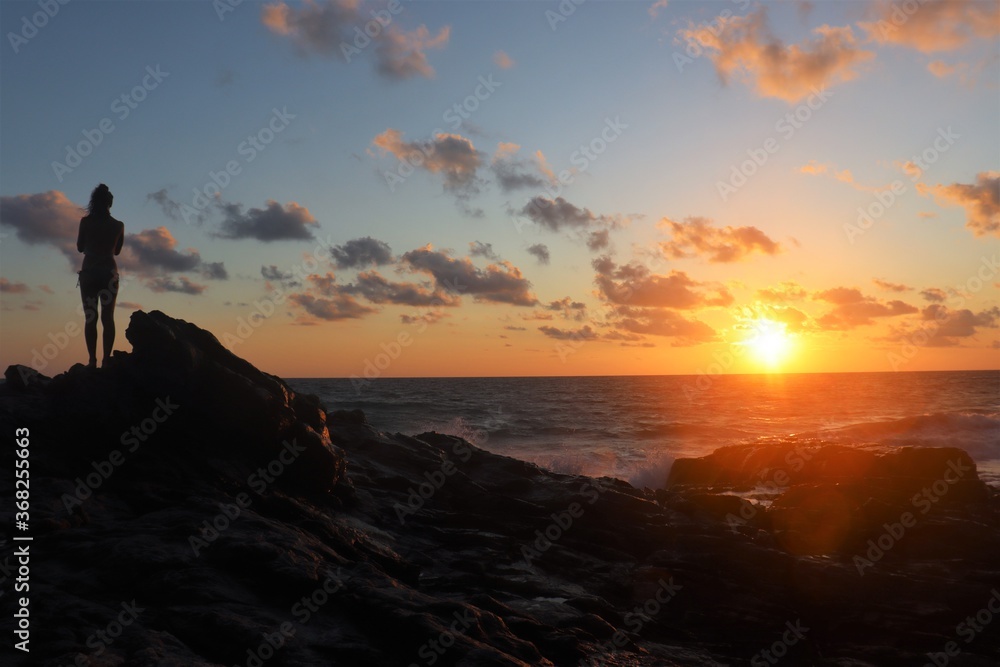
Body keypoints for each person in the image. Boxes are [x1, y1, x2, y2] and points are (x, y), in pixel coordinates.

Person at [77, 183, 124, 368]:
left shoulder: (86, 222)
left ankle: (91, 361)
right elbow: (117, 251)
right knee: (108, 317)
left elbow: (80, 247)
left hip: (89, 272)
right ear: (110, 203)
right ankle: (106, 361)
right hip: (109, 273)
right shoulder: (118, 225)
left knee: (91, 317)